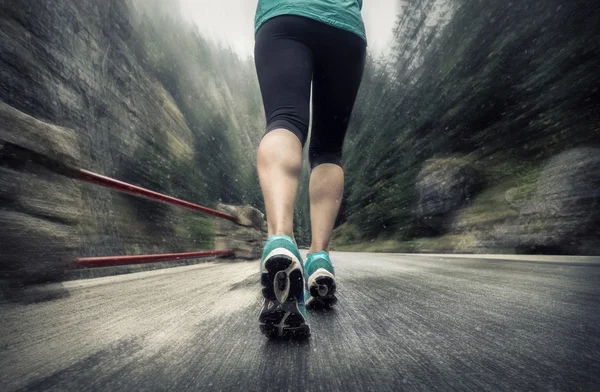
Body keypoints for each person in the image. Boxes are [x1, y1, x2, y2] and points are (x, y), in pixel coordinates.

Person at [254, 0, 367, 338]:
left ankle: (280, 240)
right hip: (344, 27)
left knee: (285, 120)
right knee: (328, 149)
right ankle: (319, 259)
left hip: (285, 14)